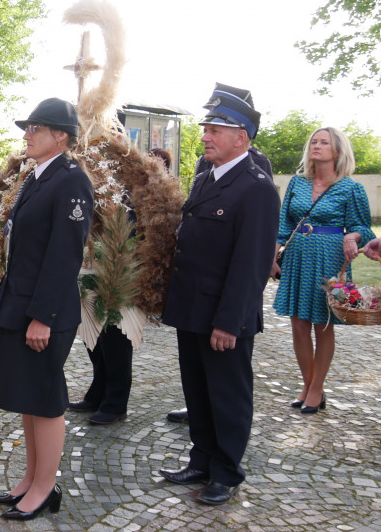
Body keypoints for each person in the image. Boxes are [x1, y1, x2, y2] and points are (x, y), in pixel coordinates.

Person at [158, 87, 279, 506]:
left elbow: (251, 265)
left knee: (227, 394)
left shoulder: (257, 188)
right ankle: (202, 460)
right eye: (206, 128)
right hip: (193, 306)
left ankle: (226, 472)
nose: (205, 136)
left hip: (224, 315)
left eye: (214, 129)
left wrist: (230, 321)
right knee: (197, 391)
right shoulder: (207, 176)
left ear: (241, 136)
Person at [0, 98, 93, 520]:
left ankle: (46, 487)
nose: (26, 135)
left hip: (45, 312)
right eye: (27, 128)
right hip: (23, 302)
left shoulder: (70, 181)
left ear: (60, 135)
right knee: (29, 397)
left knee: (46, 399)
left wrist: (42, 317)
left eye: (35, 128)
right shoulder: (38, 176)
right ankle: (30, 478)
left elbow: (64, 256)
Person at [271, 127, 374, 414]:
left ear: (338, 151)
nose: (317, 146)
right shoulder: (297, 182)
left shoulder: (350, 187)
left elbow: (362, 229)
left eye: (324, 142)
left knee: (322, 324)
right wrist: (273, 254)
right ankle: (308, 384)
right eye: (314, 142)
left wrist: (352, 237)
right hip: (297, 256)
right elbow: (284, 223)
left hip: (329, 258)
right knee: (298, 324)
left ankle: (316, 389)